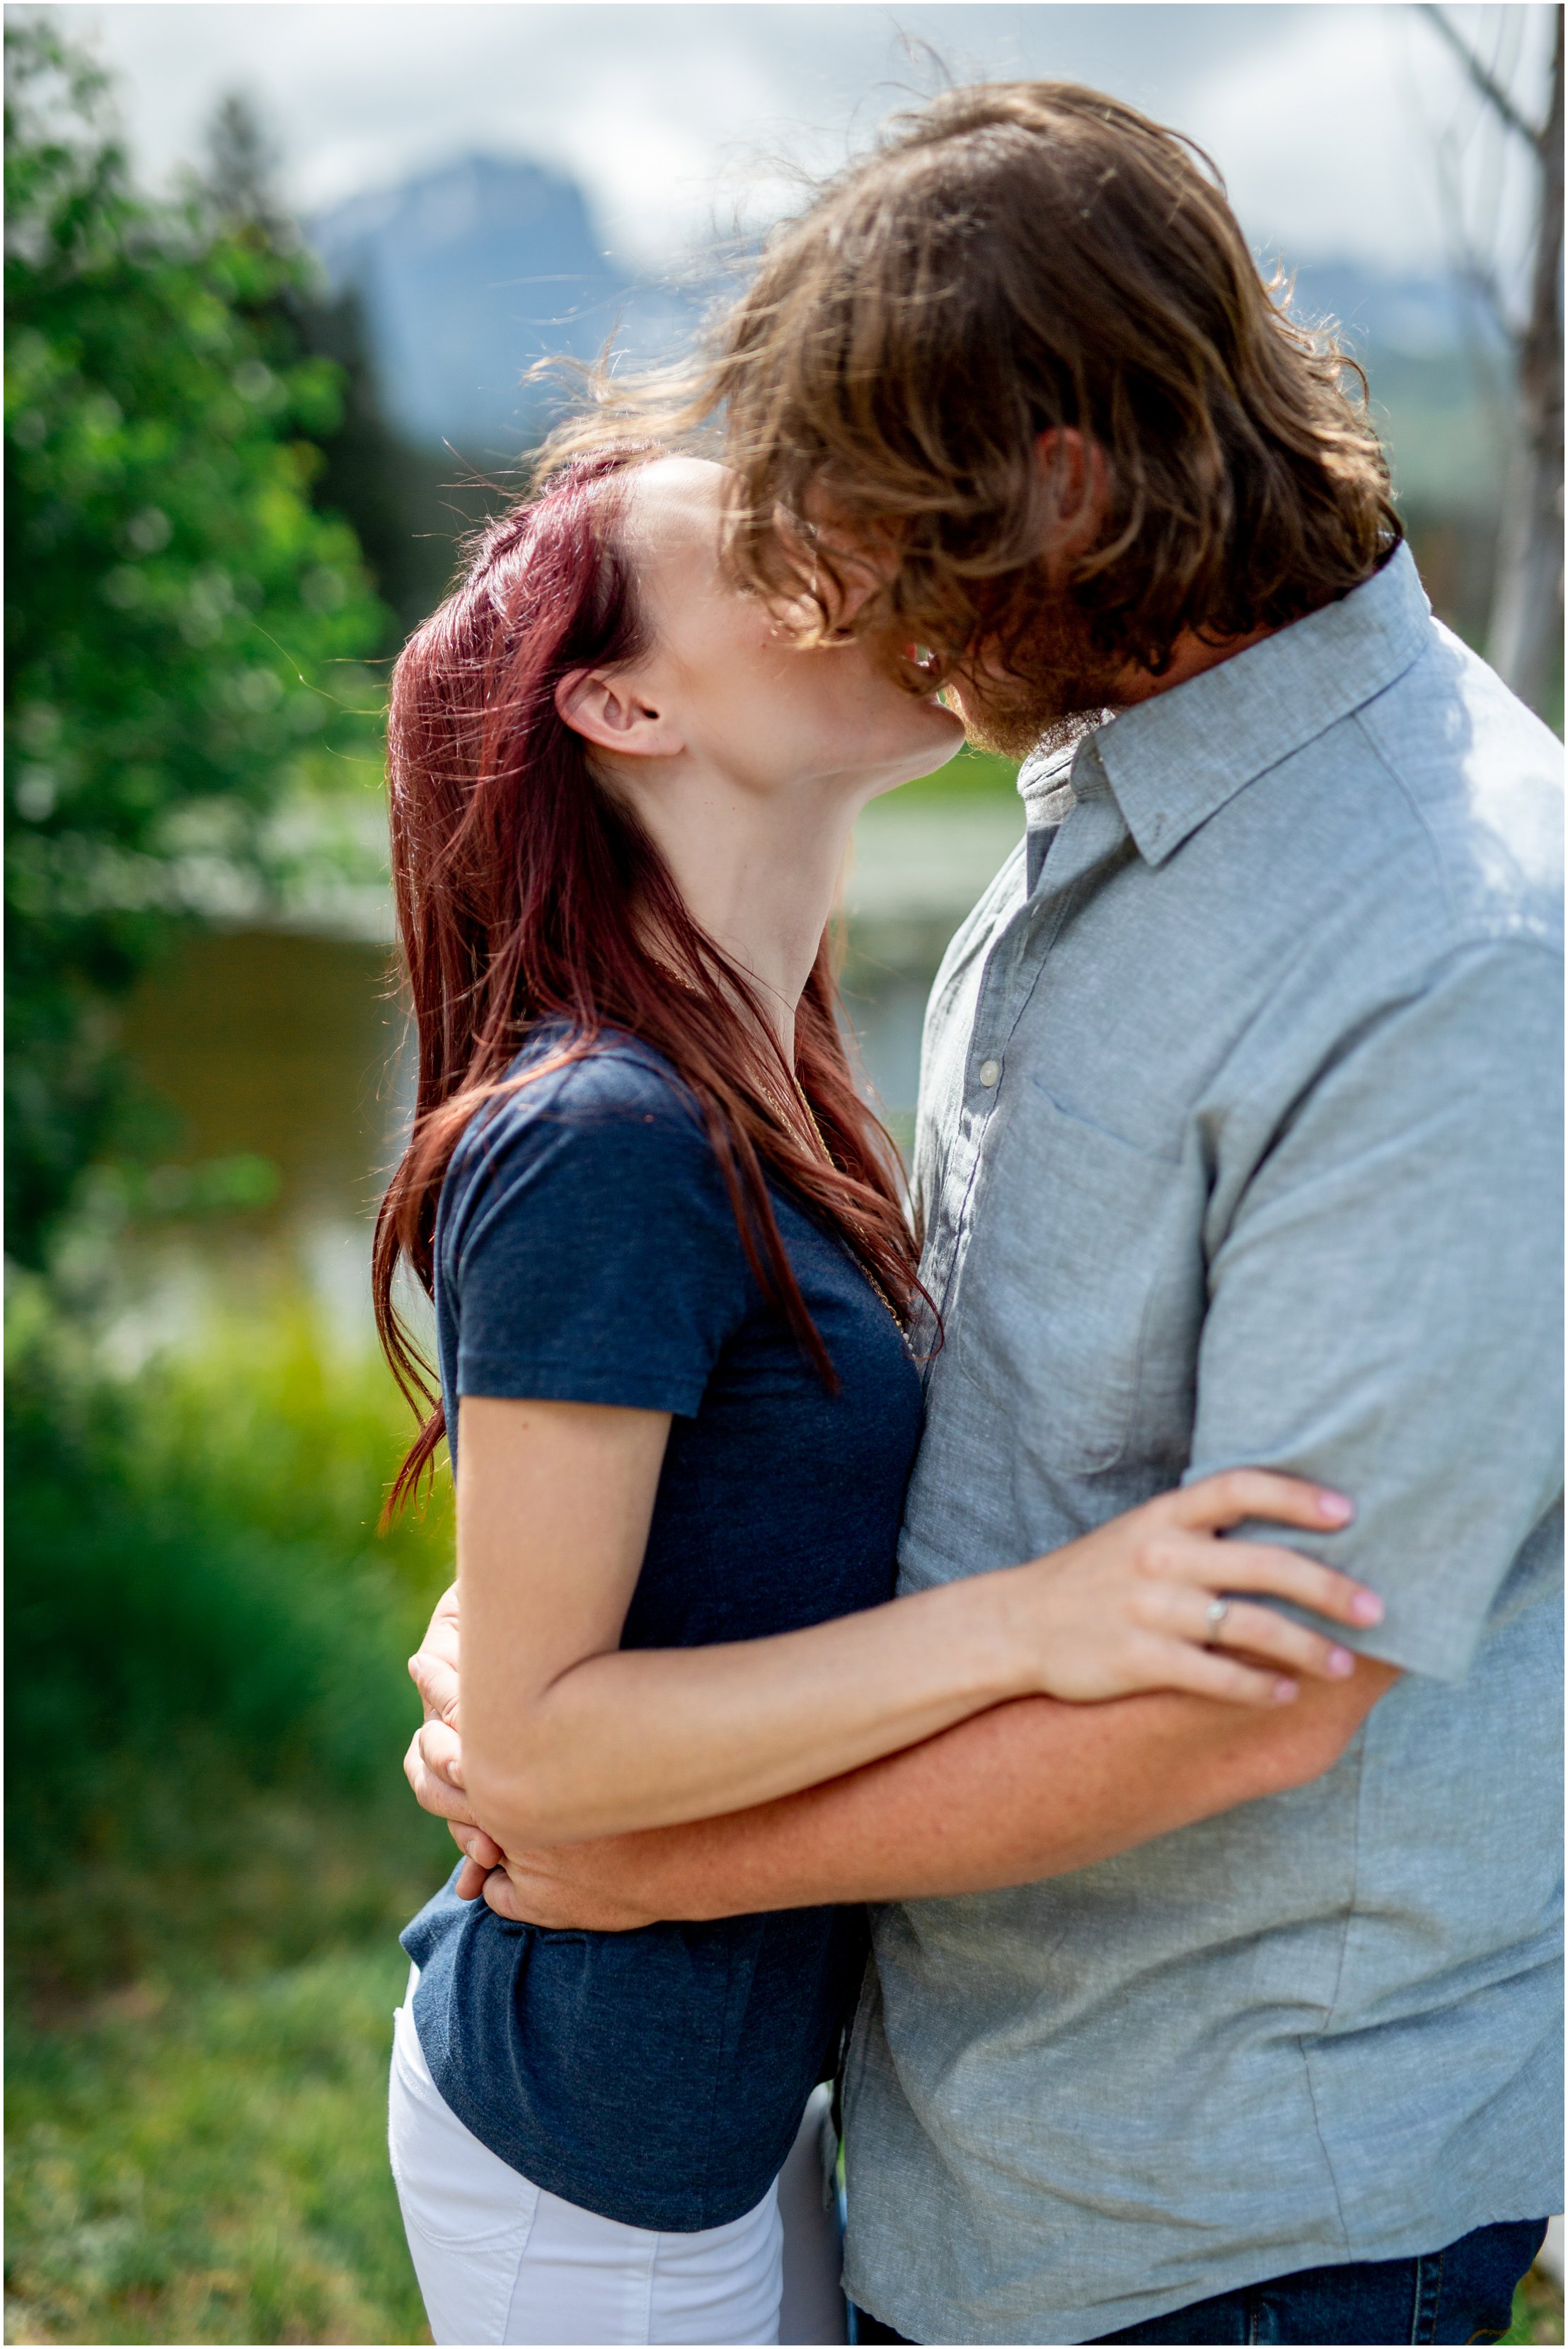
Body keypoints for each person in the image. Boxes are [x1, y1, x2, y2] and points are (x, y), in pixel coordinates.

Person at [406, 81, 1564, 2348]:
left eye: (869, 529)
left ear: (1061, 489)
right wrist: (530, 1676)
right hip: (954, 2147)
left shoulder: (1456, 949)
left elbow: (1256, 1706)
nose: (836, 589)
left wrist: (632, 1853)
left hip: (1236, 2213)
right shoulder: (1106, 776)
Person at [374, 442, 1378, 2349]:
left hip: (756, 2105)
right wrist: (1042, 1627)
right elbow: (540, 1742)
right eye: (774, 546)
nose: (871, 565)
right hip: (597, 2132)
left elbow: (620, 1611)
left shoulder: (780, 1096)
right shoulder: (599, 1136)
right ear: (624, 702)